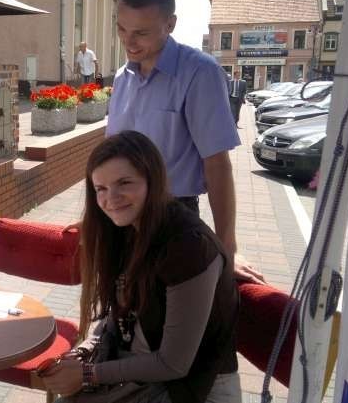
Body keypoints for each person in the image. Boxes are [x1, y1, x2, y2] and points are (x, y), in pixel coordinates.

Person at [42, 131, 240, 403]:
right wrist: (84, 352)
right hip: (141, 374)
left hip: (193, 388)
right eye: (100, 189)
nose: (111, 199)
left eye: (124, 183)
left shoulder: (188, 247)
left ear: (153, 180)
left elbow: (173, 364)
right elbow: (116, 319)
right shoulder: (125, 230)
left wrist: (88, 374)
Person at [105, 0, 263, 284]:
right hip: (118, 215)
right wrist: (96, 218)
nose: (128, 41)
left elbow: (217, 164)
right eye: (122, 29)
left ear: (170, 24)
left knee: (163, 322)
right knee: (121, 313)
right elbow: (110, 161)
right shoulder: (123, 77)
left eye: (141, 32)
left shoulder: (199, 73)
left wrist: (226, 248)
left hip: (171, 220)